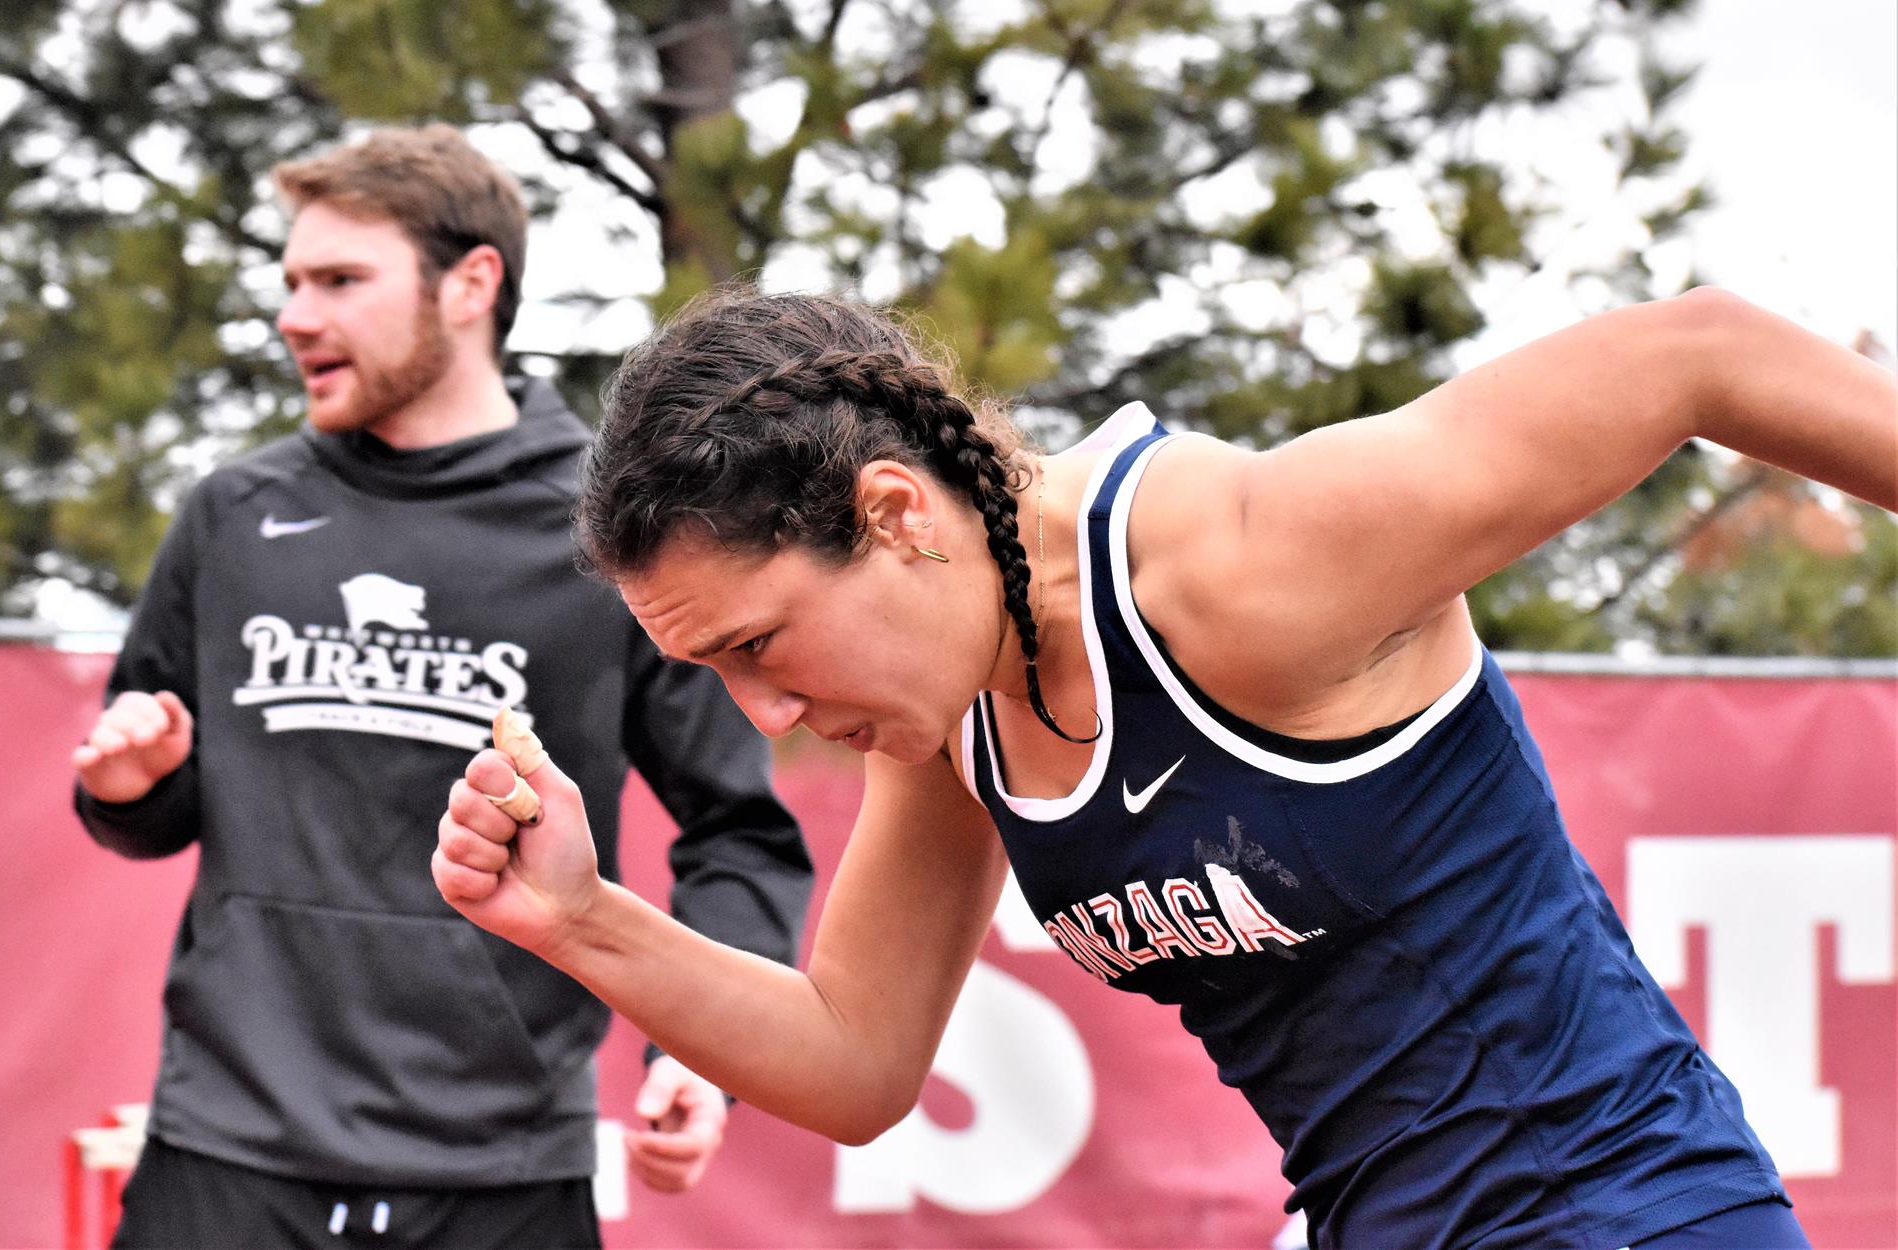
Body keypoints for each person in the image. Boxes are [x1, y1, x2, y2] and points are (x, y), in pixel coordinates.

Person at [433, 287, 1896, 1249]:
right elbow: (857, 1062)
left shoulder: (1247, 566)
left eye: (761, 642)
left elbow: (1695, 353)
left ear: (893, 513)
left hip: (1631, 1214)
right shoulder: (957, 718)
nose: (765, 714)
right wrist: (578, 915)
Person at [70, 128, 811, 1250]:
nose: (294, 315)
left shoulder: (615, 535)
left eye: (338, 280)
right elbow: (148, 809)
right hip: (225, 1157)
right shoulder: (233, 513)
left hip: (501, 1177)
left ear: (472, 284)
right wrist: (133, 784)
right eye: (289, 283)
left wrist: (705, 1059)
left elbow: (738, 830)